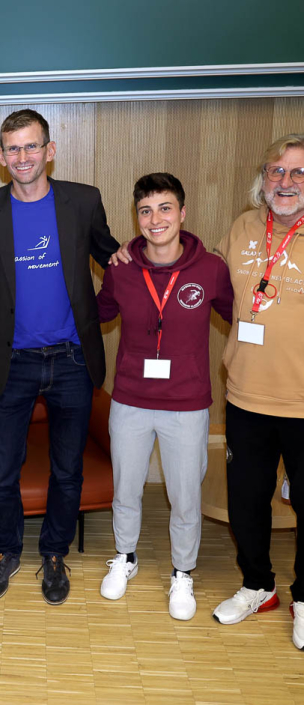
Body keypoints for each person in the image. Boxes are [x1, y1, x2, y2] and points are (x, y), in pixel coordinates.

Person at [0, 109, 120, 605]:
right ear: (1, 157)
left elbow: (111, 255)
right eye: (12, 148)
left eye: (31, 146)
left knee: (67, 469)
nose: (22, 157)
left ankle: (53, 553)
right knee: (1, 470)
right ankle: (7, 552)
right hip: (15, 361)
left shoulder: (83, 200)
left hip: (73, 359)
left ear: (49, 150)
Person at [96, 173, 233, 620]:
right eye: (146, 210)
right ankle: (126, 557)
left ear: (183, 213)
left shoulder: (211, 268)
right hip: (130, 398)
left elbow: (241, 319)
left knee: (184, 495)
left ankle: (182, 572)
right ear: (136, 218)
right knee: (127, 488)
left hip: (187, 402)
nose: (156, 219)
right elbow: (97, 313)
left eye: (165, 208)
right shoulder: (121, 269)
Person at [212, 134, 304, 649]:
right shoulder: (244, 226)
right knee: (248, 501)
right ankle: (258, 585)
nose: (285, 183)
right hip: (245, 396)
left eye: (297, 173)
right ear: (262, 179)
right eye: (276, 172)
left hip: (303, 401)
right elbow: (214, 284)